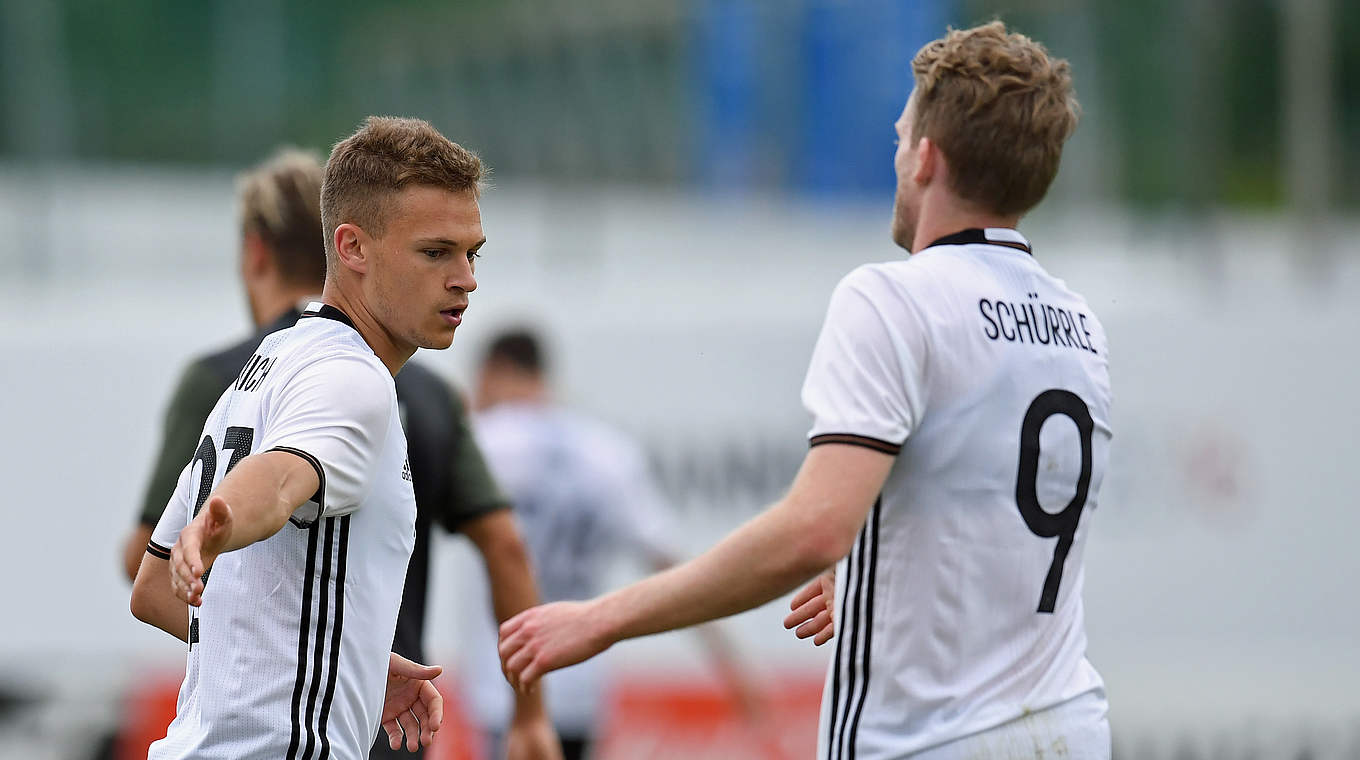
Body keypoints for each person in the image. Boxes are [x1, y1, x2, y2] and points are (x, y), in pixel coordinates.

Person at [499, 21, 1112, 760]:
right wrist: (875, 564)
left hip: (932, 740)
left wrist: (602, 619)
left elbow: (813, 532)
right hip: (1071, 728)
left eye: (899, 139)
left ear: (925, 158)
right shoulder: (1076, 324)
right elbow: (980, 507)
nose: (897, 158)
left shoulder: (894, 299)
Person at [122, 146, 560, 759]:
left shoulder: (262, 369)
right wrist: (221, 521)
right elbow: (277, 483)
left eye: (471, 253)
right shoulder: (353, 379)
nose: (466, 277)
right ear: (351, 247)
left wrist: (343, 660)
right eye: (435, 252)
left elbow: (152, 588)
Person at [464, 329, 769, 760]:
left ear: (496, 372)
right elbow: (671, 566)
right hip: (577, 680)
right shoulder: (605, 450)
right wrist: (733, 665)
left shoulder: (485, 440)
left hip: (506, 683)